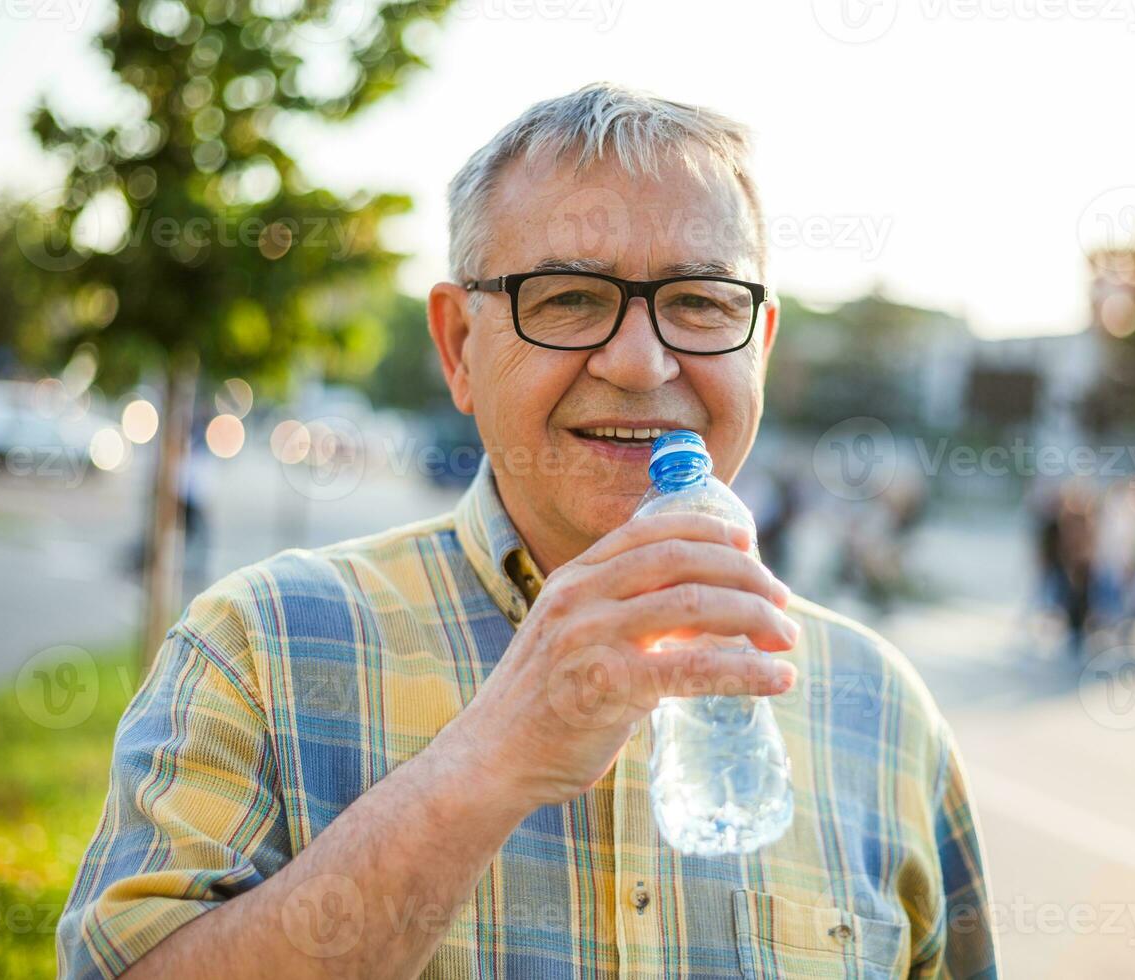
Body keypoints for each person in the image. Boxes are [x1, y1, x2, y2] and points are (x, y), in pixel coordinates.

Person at [57, 84, 996, 980]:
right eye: (570, 299)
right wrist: (493, 756)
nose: (640, 362)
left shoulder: (885, 713)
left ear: (761, 343)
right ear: (460, 348)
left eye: (703, 303)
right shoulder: (260, 650)